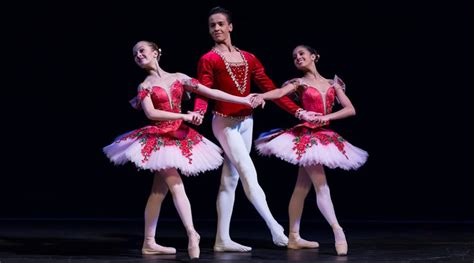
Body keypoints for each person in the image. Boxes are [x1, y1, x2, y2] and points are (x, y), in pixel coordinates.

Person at [103, 40, 262, 259]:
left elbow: (211, 92)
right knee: (175, 184)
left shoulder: (178, 77)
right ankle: (192, 234)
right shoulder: (144, 86)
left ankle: (149, 242)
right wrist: (184, 116)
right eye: (134, 54)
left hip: (178, 137)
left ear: (156, 52)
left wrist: (242, 99)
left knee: (158, 192)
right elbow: (152, 114)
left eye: (142, 50)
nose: (138, 55)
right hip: (159, 139)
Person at [192, 7, 319, 252]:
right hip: (224, 122)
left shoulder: (249, 57)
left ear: (230, 27)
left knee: (230, 180)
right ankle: (276, 230)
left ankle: (222, 239)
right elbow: (203, 89)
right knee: (248, 172)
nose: (216, 28)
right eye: (211, 25)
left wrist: (298, 111)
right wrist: (198, 110)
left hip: (246, 121)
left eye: (220, 24)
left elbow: (270, 88)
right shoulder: (208, 59)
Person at [253, 44, 368, 256]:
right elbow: (279, 93)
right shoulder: (299, 83)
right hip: (307, 136)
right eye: (294, 56)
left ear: (314, 56)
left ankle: (294, 237)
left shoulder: (333, 83)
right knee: (320, 185)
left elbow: (350, 109)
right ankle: (337, 230)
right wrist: (261, 96)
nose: (297, 57)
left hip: (323, 134)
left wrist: (327, 117)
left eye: (302, 54)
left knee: (302, 187)